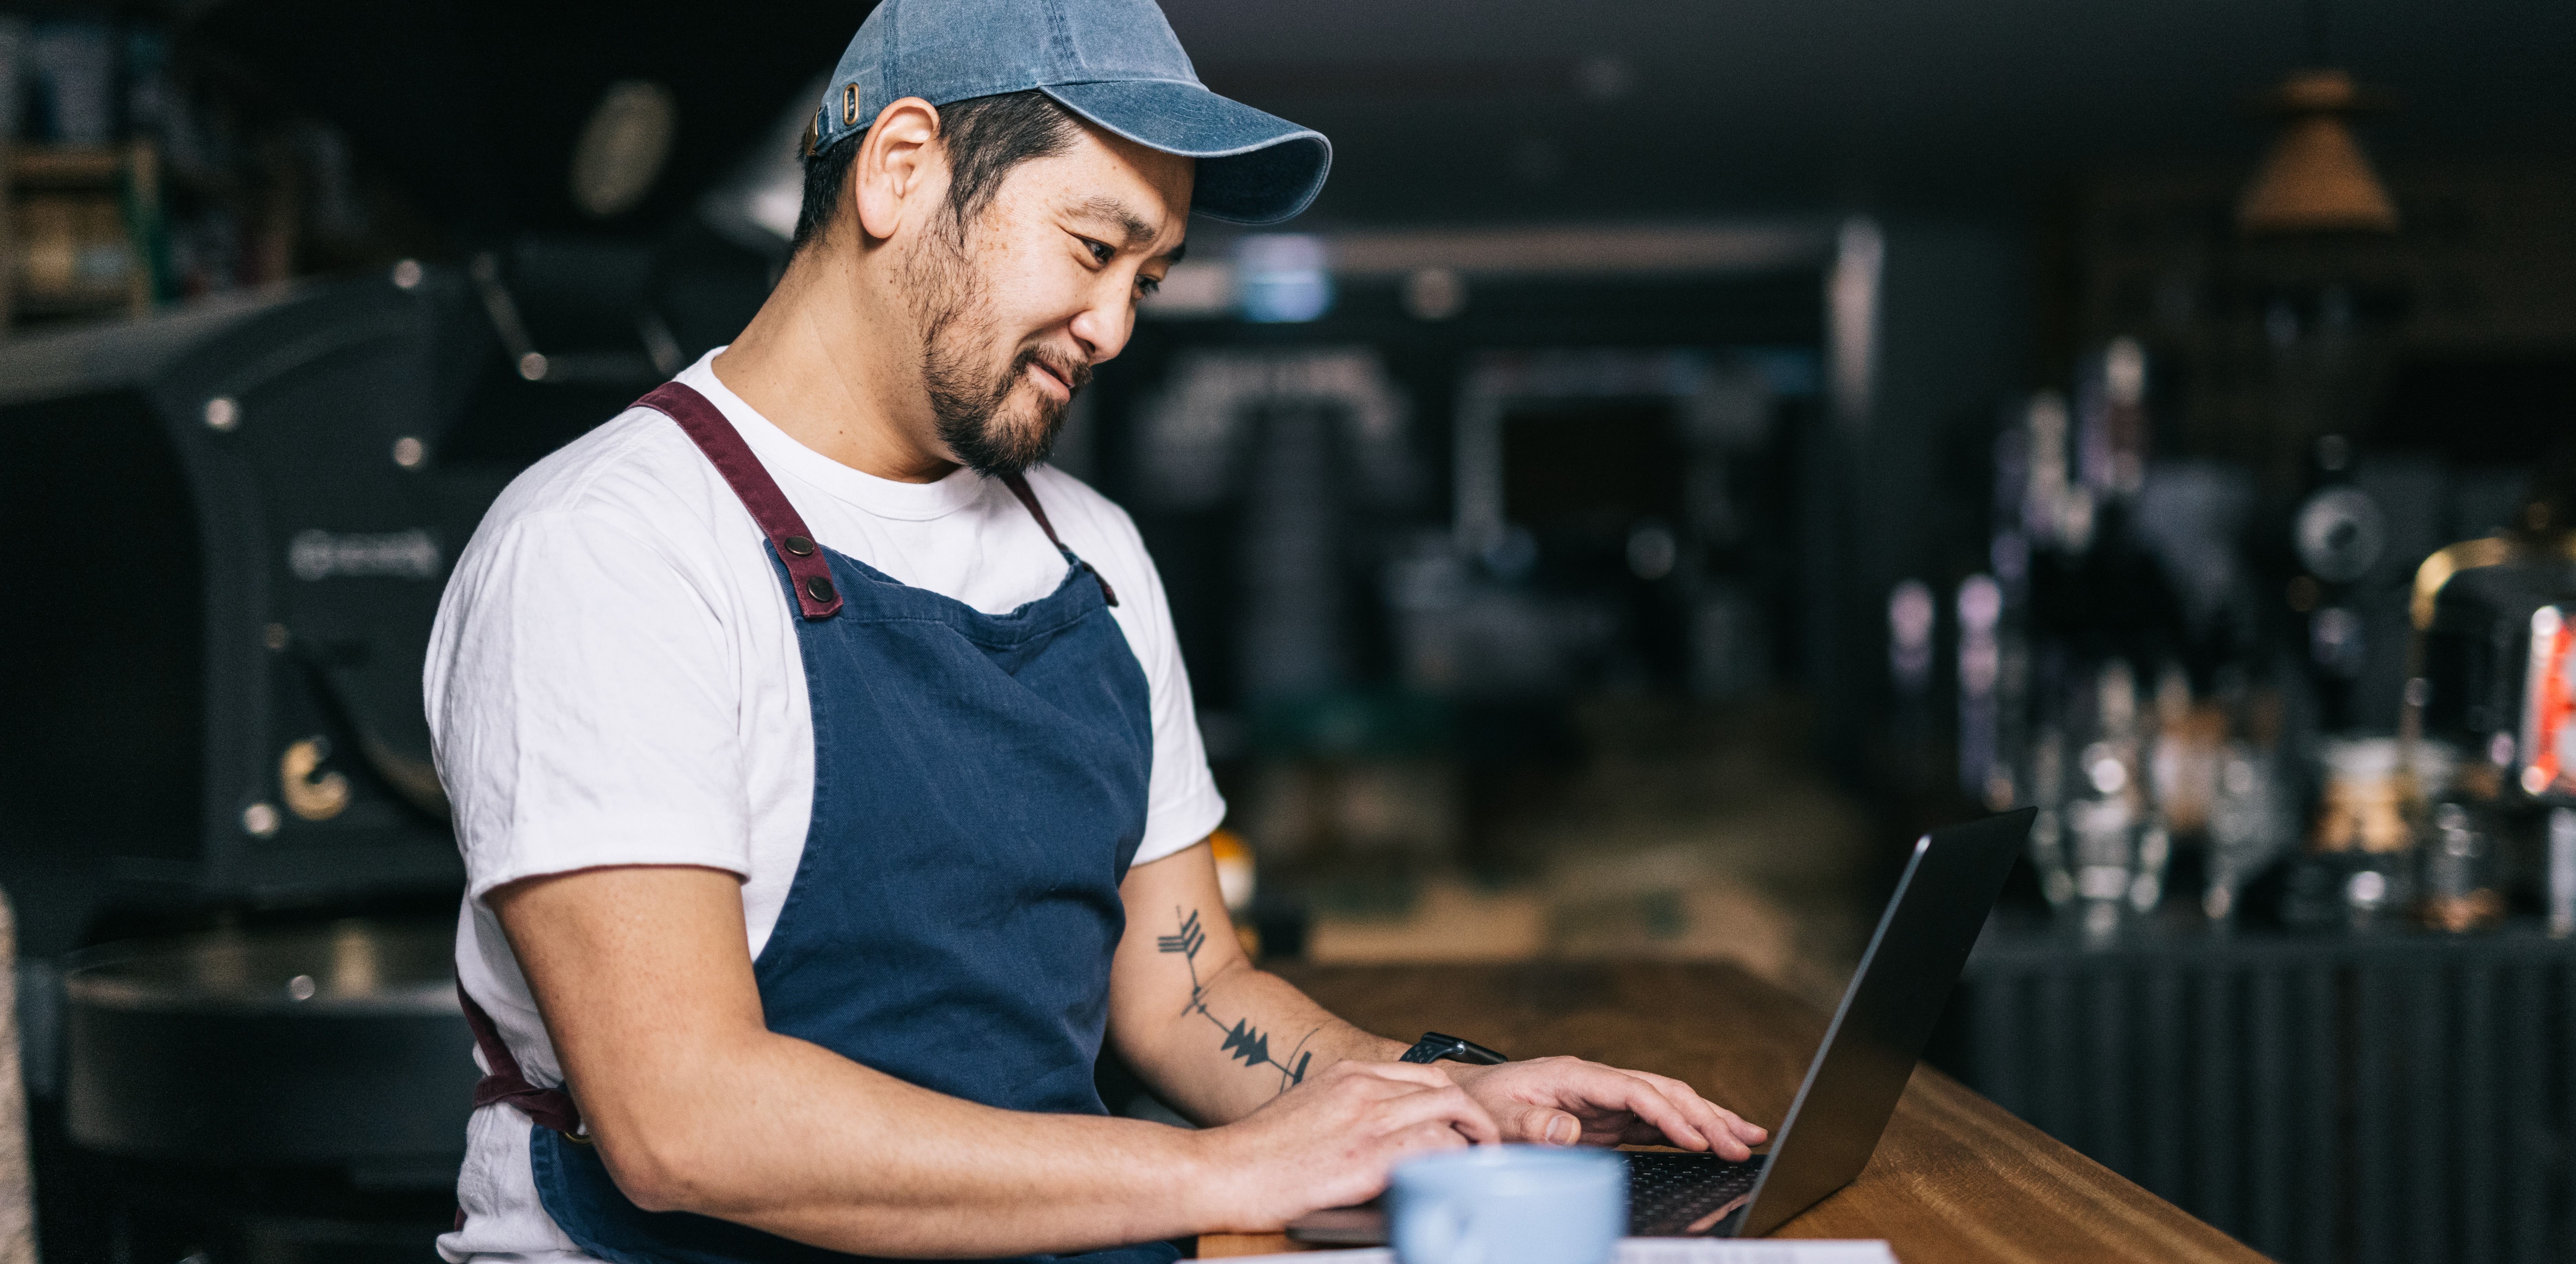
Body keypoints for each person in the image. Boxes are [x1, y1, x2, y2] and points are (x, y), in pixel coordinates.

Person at [430, 1, 1767, 1261]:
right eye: (1092, 248)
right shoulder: (614, 544)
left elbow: (1186, 995)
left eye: (1151, 278)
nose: (1117, 326)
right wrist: (1218, 1175)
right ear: (902, 170)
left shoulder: (1090, 553)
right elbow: (686, 1124)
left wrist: (1446, 1098)